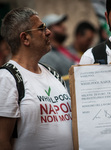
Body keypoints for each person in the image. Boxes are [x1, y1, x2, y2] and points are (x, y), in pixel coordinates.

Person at [0, 7, 73, 150]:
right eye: (41, 28)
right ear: (25, 38)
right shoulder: (6, 78)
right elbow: (2, 141)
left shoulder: (52, 73)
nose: (48, 32)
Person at [40, 14, 79, 90]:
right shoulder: (47, 57)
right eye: (58, 25)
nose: (64, 27)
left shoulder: (68, 50)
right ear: (47, 31)